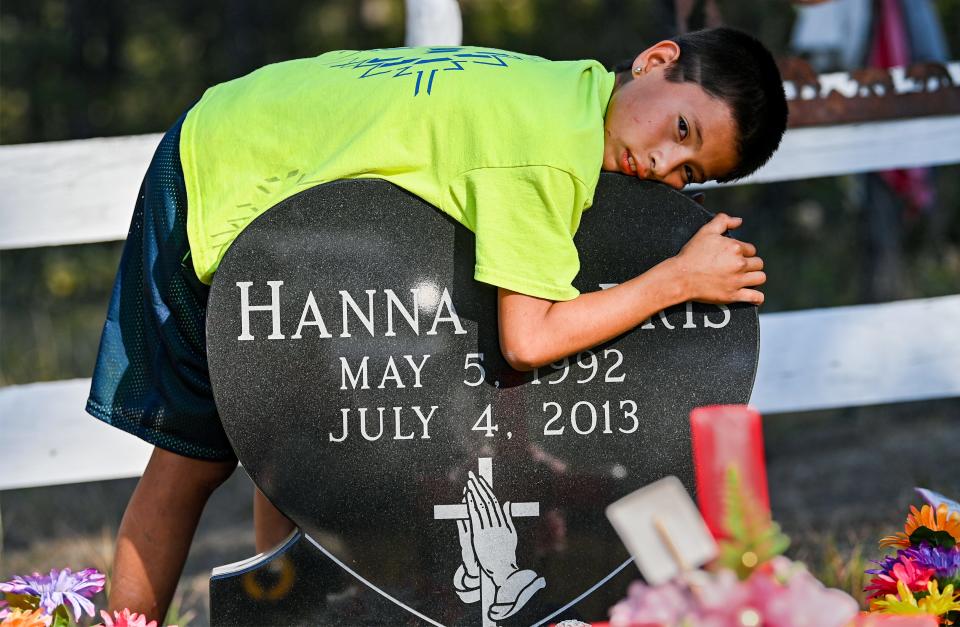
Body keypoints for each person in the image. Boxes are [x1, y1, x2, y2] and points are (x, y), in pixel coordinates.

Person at [86, 26, 787, 622]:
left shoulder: (571, 90)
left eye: (689, 173)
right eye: (681, 128)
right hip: (225, 165)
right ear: (657, 60)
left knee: (279, 424)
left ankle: (290, 614)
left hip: (265, 137)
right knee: (192, 460)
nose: (661, 162)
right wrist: (677, 281)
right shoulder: (546, 149)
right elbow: (528, 338)